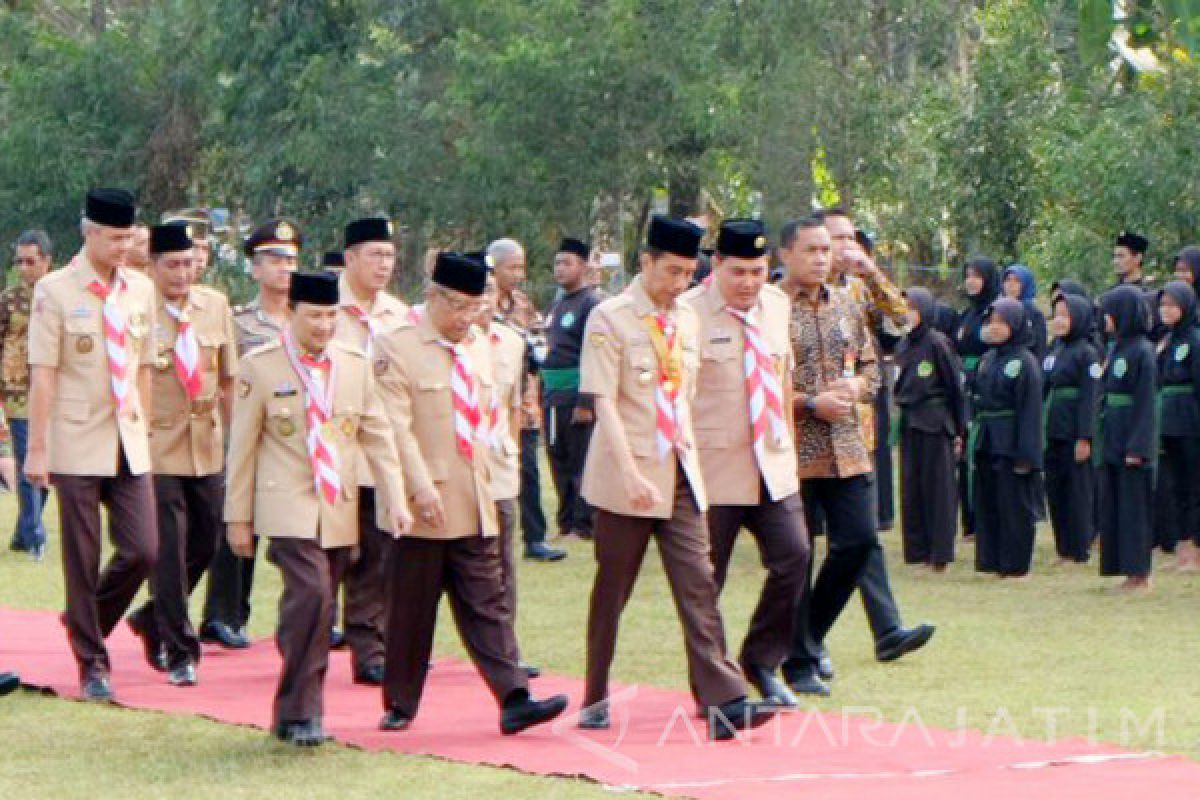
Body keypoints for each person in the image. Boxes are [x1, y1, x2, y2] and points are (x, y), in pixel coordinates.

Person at [576, 215, 776, 740]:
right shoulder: (610, 318)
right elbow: (606, 403)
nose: (678, 283)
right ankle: (594, 691)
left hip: (681, 473)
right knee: (612, 589)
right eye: (669, 271)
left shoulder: (687, 319)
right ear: (645, 263)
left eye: (687, 273)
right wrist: (629, 473)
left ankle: (725, 700)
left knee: (698, 584)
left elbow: (683, 399)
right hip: (628, 476)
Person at [372, 252, 567, 734]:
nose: (465, 319)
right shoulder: (397, 346)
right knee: (411, 612)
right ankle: (400, 701)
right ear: (433, 297)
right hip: (425, 502)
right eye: (457, 307)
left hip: (476, 493)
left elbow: (487, 417)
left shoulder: (480, 344)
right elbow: (395, 427)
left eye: (474, 308)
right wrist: (416, 488)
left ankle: (514, 696)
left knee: (488, 601)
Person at [225, 270, 412, 746]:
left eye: (331, 315)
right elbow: (242, 448)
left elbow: (378, 435)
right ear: (292, 314)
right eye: (314, 316)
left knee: (315, 604)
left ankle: (296, 712)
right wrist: (237, 518)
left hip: (338, 505)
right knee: (312, 595)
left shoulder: (353, 364)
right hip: (285, 502)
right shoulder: (261, 366)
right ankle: (303, 710)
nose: (324, 326)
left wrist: (394, 495)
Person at [778, 218, 930, 698]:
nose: (825, 257)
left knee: (859, 541)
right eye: (815, 248)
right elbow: (759, 377)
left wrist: (858, 386)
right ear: (787, 254)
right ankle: (799, 658)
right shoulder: (769, 306)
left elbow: (882, 349)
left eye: (833, 247)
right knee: (798, 554)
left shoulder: (850, 299)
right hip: (795, 445)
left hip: (848, 442)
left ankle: (808, 638)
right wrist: (807, 402)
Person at [25, 188, 159, 701]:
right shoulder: (56, 291)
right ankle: (92, 662)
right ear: (90, 233)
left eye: (130, 236)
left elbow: (144, 363)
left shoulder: (139, 290)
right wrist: (37, 450)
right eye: (116, 237)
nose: (126, 246)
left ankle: (86, 621)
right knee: (80, 556)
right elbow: (45, 374)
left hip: (127, 437)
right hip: (76, 436)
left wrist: (143, 425)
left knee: (143, 549)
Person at [681, 219, 810, 709]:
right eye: (738, 272)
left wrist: (789, 453)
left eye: (758, 271)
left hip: (771, 463)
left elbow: (780, 382)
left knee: (794, 556)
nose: (749, 282)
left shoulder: (777, 306)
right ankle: (713, 686)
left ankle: (762, 660)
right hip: (712, 468)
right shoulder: (689, 313)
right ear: (716, 267)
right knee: (705, 582)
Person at [819, 209, 930, 678]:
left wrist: (874, 273)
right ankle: (805, 639)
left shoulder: (860, 287)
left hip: (855, 426)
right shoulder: (796, 292)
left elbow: (904, 321)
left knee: (860, 535)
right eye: (835, 239)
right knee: (803, 545)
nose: (845, 247)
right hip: (807, 422)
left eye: (850, 238)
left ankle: (886, 630)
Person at [125, 223, 237, 687]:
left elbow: (227, 377)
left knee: (208, 540)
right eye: (171, 264)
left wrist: (238, 442)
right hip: (158, 445)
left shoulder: (214, 305)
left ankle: (152, 617)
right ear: (152, 266)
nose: (182, 274)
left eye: (189, 263)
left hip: (206, 444)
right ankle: (179, 649)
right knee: (168, 550)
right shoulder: (136, 309)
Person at [200, 219, 299, 650]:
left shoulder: (309, 319)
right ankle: (225, 614)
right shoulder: (240, 323)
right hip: (249, 433)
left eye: (291, 260)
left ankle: (310, 615)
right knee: (238, 523)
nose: (284, 269)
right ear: (255, 269)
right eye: (274, 260)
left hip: (297, 439)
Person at [331, 216, 411, 686]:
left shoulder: (398, 315)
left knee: (377, 557)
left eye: (390, 256)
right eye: (375, 255)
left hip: (379, 453)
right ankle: (304, 630)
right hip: (332, 450)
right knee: (333, 554)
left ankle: (369, 647)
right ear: (350, 258)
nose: (384, 265)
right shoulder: (323, 305)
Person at [478, 270, 543, 677]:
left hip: (496, 462)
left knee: (503, 563)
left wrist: (513, 452)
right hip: (446, 469)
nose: (480, 300)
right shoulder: (424, 341)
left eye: (487, 290)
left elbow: (516, 403)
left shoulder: (511, 341)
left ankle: (507, 650)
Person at [487, 238, 564, 562]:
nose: (519, 274)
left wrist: (536, 349)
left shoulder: (522, 303)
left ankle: (535, 538)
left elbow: (539, 338)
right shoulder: (479, 303)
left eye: (522, 267)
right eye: (512, 267)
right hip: (491, 404)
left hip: (527, 402)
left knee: (529, 470)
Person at [970, 298, 1044, 578]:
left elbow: (1030, 412)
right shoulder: (988, 359)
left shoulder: (1025, 363)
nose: (995, 328)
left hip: (1012, 441)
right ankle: (993, 560)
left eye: (1001, 322)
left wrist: (1027, 455)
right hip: (988, 438)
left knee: (1015, 504)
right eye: (991, 322)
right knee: (990, 500)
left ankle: (1016, 564)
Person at [894, 287, 966, 571]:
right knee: (913, 487)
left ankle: (940, 554)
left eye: (911, 307)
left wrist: (959, 428)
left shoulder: (937, 343)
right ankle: (918, 550)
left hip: (935, 422)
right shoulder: (903, 345)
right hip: (910, 421)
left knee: (939, 490)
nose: (906, 313)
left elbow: (954, 388)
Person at [1096, 285, 1157, 591]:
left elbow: (1146, 403)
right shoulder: (1115, 348)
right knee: (1116, 505)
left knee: (1135, 507)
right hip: (1113, 435)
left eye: (1109, 313)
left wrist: (1138, 446)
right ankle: (1122, 567)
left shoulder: (1142, 351)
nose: (1104, 319)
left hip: (1132, 439)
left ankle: (1140, 572)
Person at [542, 238, 603, 542]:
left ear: (583, 266)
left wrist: (586, 400)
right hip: (552, 395)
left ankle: (584, 525)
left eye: (567, 263)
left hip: (577, 394)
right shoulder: (558, 303)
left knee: (582, 462)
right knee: (558, 459)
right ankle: (565, 523)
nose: (560, 269)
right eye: (557, 263)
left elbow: (594, 356)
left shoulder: (591, 304)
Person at [2, 230, 53, 559]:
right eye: (19, 261)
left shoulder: (61, 297)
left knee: (49, 464)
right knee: (25, 461)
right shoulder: (9, 300)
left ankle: (23, 532)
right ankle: (35, 534)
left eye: (30, 261)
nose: (24, 267)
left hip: (57, 393)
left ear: (47, 261)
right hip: (19, 392)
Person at [1043, 293, 1101, 565]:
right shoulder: (1054, 349)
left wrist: (1085, 436)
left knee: (1077, 490)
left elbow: (1091, 397)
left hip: (1073, 430)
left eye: (1066, 315)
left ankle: (1079, 548)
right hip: (1053, 429)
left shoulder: (1086, 353)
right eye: (1056, 314)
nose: (1060, 320)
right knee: (1055, 489)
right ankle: (1062, 547)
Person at [1155, 281, 1200, 572]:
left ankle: (1195, 550)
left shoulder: (1194, 340)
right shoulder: (1167, 341)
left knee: (1195, 485)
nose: (1166, 311)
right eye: (1163, 305)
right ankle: (1182, 547)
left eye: (1172, 305)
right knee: (1176, 486)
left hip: (1190, 421)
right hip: (1168, 421)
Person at [955, 256, 1001, 541]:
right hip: (964, 382)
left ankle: (986, 519)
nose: (971, 281)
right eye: (967, 275)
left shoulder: (994, 311)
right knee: (963, 452)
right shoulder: (967, 315)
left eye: (977, 276)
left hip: (986, 380)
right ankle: (969, 521)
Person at [1001, 264, 1048, 360]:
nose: (1011, 284)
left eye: (1017, 281)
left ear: (1026, 284)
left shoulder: (1034, 313)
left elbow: (1040, 349)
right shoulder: (998, 309)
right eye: (1008, 280)